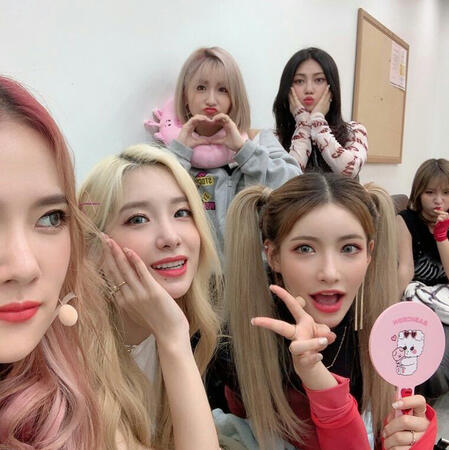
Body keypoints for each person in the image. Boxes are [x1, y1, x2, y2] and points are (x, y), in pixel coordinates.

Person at [214, 173, 436, 449]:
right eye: (305, 249)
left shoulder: (393, 341)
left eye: (349, 248)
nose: (330, 273)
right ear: (273, 256)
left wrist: (416, 438)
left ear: (369, 254)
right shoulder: (233, 348)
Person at [0, 76, 152, 449]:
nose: (24, 267)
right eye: (138, 218)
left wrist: (174, 338)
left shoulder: (70, 386)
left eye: (50, 217)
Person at [78, 144, 222, 449]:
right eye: (138, 219)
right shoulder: (74, 359)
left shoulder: (190, 326)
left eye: (182, 213)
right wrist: (172, 337)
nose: (170, 237)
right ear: (94, 245)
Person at [163, 46, 301, 252]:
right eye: (201, 87)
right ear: (185, 96)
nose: (211, 99)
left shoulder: (259, 140)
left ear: (234, 97)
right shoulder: (170, 154)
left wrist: (244, 151)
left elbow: (295, 187)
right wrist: (179, 154)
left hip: (248, 265)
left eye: (223, 89)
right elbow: (157, 203)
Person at [397, 158, 449, 399]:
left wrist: (442, 237)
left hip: (445, 303)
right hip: (418, 302)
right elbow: (405, 268)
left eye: (446, 193)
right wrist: (389, 308)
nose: (439, 200)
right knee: (429, 364)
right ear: (418, 193)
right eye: (430, 192)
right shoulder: (405, 220)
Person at [273, 47, 367, 178]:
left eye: (319, 80)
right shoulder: (274, 138)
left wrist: (318, 121)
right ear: (288, 88)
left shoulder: (354, 131)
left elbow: (349, 170)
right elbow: (286, 180)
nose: (309, 89)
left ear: (331, 87)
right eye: (299, 81)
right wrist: (303, 125)